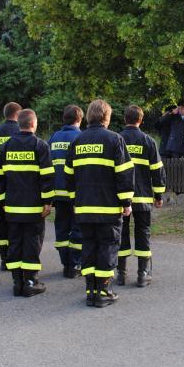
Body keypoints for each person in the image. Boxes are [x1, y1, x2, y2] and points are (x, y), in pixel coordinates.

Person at [64, 99, 134, 308]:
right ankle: (103, 291)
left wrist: (74, 199)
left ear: (88, 116)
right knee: (108, 247)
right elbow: (124, 174)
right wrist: (126, 202)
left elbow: (68, 175)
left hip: (84, 206)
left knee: (89, 247)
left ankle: (90, 291)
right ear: (107, 117)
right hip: (108, 207)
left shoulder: (77, 141)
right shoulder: (115, 140)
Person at [0, 109, 54, 297]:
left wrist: (1, 201)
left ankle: (17, 282)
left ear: (19, 124)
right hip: (34, 207)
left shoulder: (6, 146)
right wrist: (47, 201)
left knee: (15, 243)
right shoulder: (40, 146)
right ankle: (30, 281)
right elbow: (47, 177)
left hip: (11, 206)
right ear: (34, 124)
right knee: (32, 242)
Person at [118, 105, 166, 287]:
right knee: (143, 233)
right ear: (141, 120)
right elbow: (157, 170)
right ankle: (142, 274)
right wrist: (159, 194)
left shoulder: (117, 139)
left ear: (125, 119)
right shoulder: (148, 141)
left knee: (121, 234)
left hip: (121, 200)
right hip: (144, 198)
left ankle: (121, 273)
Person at [48, 104, 84, 278]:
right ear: (79, 119)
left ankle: (65, 264)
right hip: (76, 193)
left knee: (61, 229)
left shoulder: (54, 137)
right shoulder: (81, 137)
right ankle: (75, 263)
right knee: (78, 228)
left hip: (57, 192)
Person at [0, 102, 22, 269]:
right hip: (19, 187)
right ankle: (17, 256)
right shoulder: (20, 132)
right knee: (17, 224)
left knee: (2, 222)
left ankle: (4, 258)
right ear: (18, 114)